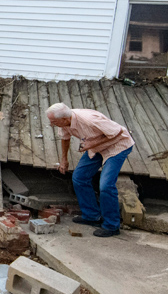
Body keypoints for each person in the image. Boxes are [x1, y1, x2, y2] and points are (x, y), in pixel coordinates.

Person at [45, 102, 134, 237]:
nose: (51, 124)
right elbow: (65, 138)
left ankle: (112, 226)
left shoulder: (89, 120)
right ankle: (92, 216)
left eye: (53, 122)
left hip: (117, 146)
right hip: (96, 147)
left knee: (106, 185)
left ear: (64, 119)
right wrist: (64, 159)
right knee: (79, 177)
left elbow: (118, 133)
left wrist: (92, 143)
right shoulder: (64, 122)